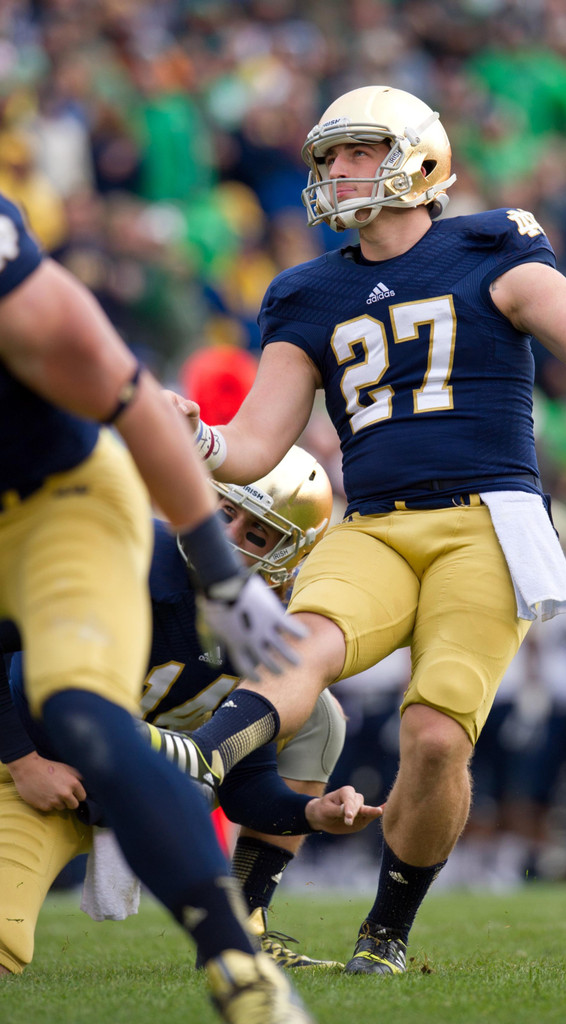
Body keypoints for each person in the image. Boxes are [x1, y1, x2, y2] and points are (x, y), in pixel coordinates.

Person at [153, 85, 566, 974]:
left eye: (356, 152)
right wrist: (200, 439)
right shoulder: (304, 291)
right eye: (328, 157)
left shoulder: (493, 246)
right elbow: (255, 444)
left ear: (418, 158)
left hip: (486, 520)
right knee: (306, 642)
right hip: (372, 521)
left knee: (437, 736)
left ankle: (386, 930)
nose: (335, 172)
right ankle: (194, 759)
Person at [0, 189, 312, 1023]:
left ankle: (236, 969)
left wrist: (219, 573)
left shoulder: (15, 286)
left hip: (52, 503)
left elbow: (135, 403)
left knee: (81, 713)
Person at [0, 445, 382, 975]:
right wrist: (22, 761)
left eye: (255, 535)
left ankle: (248, 926)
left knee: (317, 711)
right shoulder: (125, 551)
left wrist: (306, 815)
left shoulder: (261, 626)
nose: (226, 537)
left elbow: (245, 783)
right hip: (42, 776)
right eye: (225, 513)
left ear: (287, 558)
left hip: (150, 787)